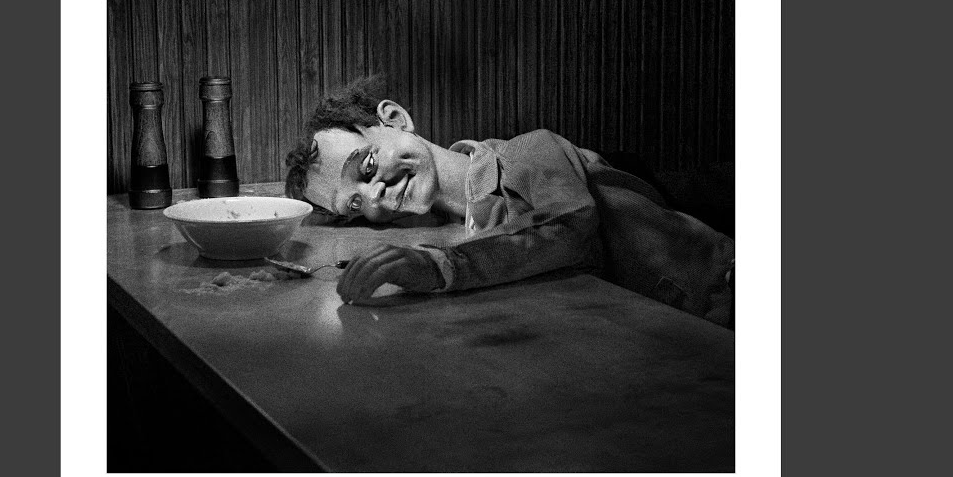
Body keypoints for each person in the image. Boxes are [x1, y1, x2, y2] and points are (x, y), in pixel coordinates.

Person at [283, 76, 735, 328]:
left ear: (396, 118)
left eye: (366, 167)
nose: (375, 198)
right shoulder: (458, 223)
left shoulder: (528, 151)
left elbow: (572, 230)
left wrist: (439, 267)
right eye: (355, 205)